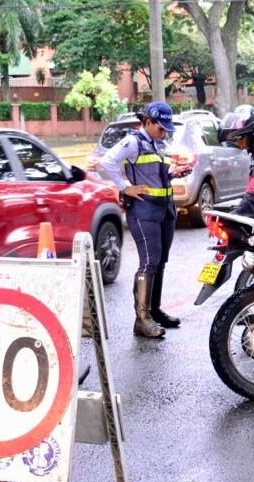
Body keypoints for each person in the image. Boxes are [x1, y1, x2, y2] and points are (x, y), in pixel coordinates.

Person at [99, 102, 190, 339]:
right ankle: (142, 319)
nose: (164, 133)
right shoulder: (132, 142)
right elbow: (106, 162)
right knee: (149, 261)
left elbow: (153, 175)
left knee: (159, 262)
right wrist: (125, 188)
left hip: (164, 209)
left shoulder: (156, 144)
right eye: (161, 128)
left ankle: (154, 311)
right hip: (144, 210)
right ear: (148, 121)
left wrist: (173, 174)